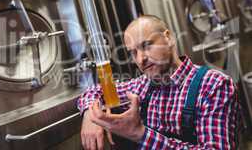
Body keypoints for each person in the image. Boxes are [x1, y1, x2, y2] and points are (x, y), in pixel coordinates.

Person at [77, 15, 240, 150]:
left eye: (146, 45)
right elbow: (94, 91)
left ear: (168, 38)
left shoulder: (214, 85)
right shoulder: (141, 86)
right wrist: (89, 115)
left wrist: (140, 134)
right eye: (133, 52)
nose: (141, 59)